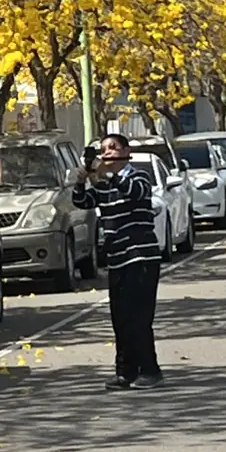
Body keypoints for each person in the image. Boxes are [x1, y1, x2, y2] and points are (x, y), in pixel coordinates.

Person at [73, 132, 164, 390]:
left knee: (139, 318)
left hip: (141, 257)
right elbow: (82, 202)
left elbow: (136, 192)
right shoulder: (104, 185)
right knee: (120, 319)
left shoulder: (137, 176)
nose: (107, 152)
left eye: (113, 147)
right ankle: (125, 372)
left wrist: (109, 175)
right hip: (118, 259)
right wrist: (82, 182)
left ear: (125, 151)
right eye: (104, 149)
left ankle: (151, 371)